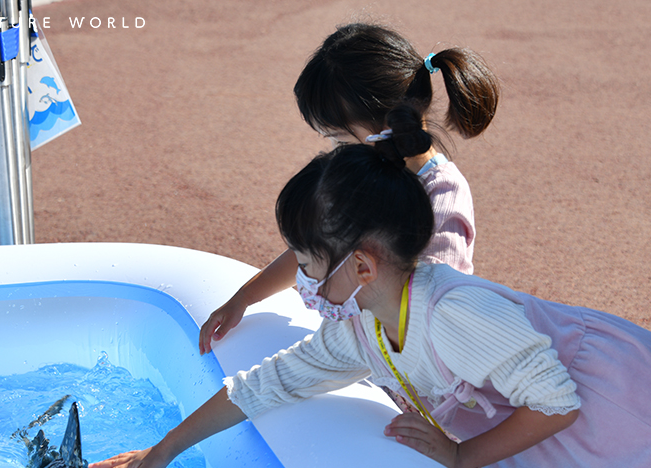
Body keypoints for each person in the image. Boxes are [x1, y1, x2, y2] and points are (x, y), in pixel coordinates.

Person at [90, 108, 651, 468]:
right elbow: (264, 384)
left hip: (620, 443)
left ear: (361, 265)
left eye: (307, 264)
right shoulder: (364, 329)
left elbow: (557, 402)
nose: (302, 282)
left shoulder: (453, 312)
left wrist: (459, 457)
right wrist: (163, 451)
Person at [198, 22, 500, 356]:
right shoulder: (370, 169)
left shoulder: (441, 197)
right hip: (373, 346)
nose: (333, 150)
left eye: (339, 138)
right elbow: (316, 246)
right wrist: (244, 298)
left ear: (385, 127)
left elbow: (434, 312)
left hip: (422, 363)